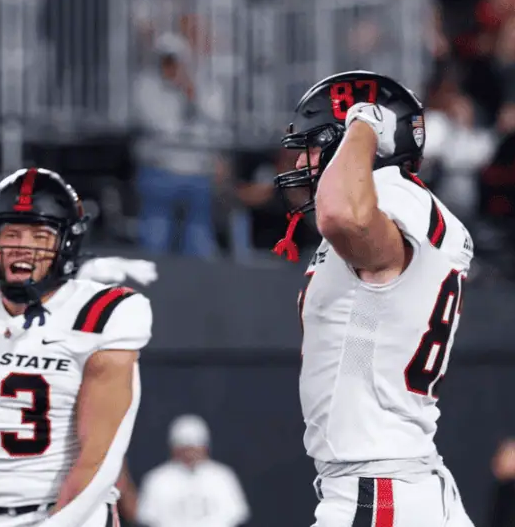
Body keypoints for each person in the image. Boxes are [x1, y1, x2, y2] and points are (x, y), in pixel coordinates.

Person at [273, 70, 475, 526]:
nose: (303, 161)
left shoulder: (389, 196)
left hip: (378, 491)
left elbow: (344, 214)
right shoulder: (413, 205)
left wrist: (361, 124)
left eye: (317, 142)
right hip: (405, 482)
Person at [0, 168, 153, 527]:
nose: (23, 246)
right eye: (12, 233)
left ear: (66, 243)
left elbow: (99, 458)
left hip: (70, 515)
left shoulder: (103, 314)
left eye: (40, 235)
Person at [136, 415, 248, 527]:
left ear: (205, 447)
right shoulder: (157, 479)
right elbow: (146, 517)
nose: (189, 453)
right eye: (184, 448)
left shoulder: (223, 477)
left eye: (194, 447)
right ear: (173, 448)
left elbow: (236, 516)